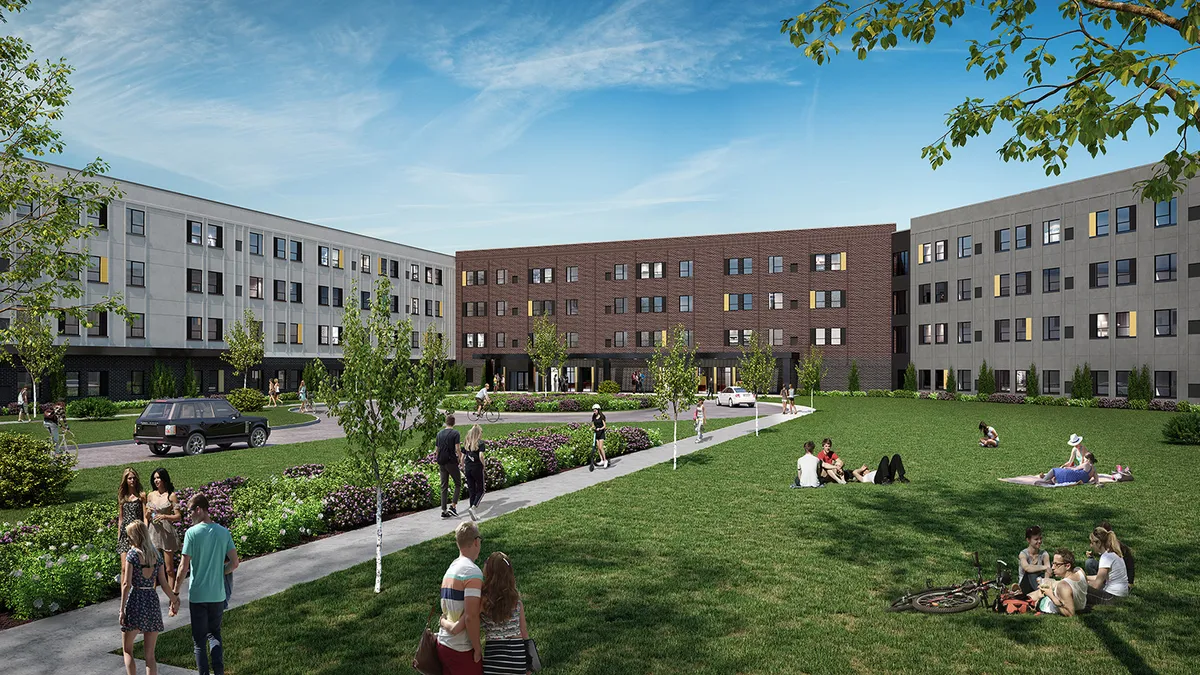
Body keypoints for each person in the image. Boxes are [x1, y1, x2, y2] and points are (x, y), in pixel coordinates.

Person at [174, 493, 239, 675]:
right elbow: (234, 563)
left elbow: (183, 567)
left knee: (199, 642)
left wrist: (175, 593)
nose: (189, 517)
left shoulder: (191, 534)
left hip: (198, 595)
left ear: (199, 510)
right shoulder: (223, 532)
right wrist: (220, 571)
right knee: (215, 635)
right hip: (217, 594)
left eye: (190, 513)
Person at [441, 551, 530, 675]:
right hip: (518, 656)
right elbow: (524, 632)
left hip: (495, 657)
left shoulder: (484, 601)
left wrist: (443, 622)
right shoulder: (516, 601)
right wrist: (529, 662)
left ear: (488, 572)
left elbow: (459, 627)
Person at [120, 521, 180, 675]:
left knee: (127, 650)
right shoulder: (156, 555)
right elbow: (164, 583)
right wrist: (174, 600)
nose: (128, 539)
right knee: (150, 656)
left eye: (129, 536)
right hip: (152, 601)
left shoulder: (132, 555)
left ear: (134, 536)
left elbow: (126, 583)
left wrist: (122, 609)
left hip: (136, 600)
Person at [437, 521, 485, 674]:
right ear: (476, 541)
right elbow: (471, 617)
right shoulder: (472, 572)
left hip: (443, 642)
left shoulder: (451, 568)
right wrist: (477, 649)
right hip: (461, 648)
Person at [146, 467, 182, 592]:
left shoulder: (171, 496)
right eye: (154, 478)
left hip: (166, 533)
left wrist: (165, 516)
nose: (156, 481)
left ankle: (172, 597)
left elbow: (178, 516)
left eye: (158, 478)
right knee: (153, 567)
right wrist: (148, 514)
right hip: (153, 532)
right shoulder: (150, 495)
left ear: (164, 479)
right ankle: (152, 595)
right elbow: (146, 516)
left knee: (169, 569)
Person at [1025, 549, 1087, 617]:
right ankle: (1017, 593)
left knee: (1034, 596)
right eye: (1053, 563)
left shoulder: (1064, 585)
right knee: (1041, 590)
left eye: (1057, 564)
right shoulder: (1080, 571)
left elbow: (1070, 613)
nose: (1053, 568)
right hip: (1080, 605)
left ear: (1067, 566)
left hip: (1046, 605)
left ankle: (1018, 597)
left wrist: (1050, 595)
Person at [1085, 526, 1130, 605]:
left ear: (1098, 543)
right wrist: (1083, 577)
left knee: (1080, 588)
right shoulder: (1113, 553)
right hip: (1121, 595)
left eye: (1092, 543)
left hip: (1112, 597)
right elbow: (1100, 577)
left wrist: (1081, 583)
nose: (1091, 546)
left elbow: (1096, 585)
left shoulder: (1106, 557)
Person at [1083, 520, 1135, 585]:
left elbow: (1130, 565)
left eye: (1092, 542)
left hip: (1117, 583)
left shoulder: (1108, 555)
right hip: (1116, 581)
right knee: (1090, 563)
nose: (1090, 545)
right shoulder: (1107, 552)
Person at [437, 415, 464, 518]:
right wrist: (460, 459)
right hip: (451, 461)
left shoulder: (439, 434)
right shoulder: (455, 433)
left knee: (444, 485)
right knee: (458, 483)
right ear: (454, 423)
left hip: (441, 461)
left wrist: (438, 459)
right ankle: (453, 506)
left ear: (446, 422)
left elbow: (437, 449)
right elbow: (457, 448)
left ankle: (444, 510)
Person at [117, 468, 147, 556]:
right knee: (124, 567)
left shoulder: (141, 496)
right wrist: (119, 535)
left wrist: (145, 532)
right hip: (125, 532)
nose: (132, 480)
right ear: (125, 480)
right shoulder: (123, 496)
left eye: (134, 478)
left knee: (136, 564)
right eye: (130, 478)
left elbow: (145, 516)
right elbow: (121, 518)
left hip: (137, 532)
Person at [462, 424, 487, 521]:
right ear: (478, 433)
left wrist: (463, 466)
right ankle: (473, 507)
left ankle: (472, 512)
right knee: (481, 490)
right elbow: (481, 456)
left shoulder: (467, 443)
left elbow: (462, 457)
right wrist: (484, 465)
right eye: (481, 432)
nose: (481, 434)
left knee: (471, 490)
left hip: (468, 468)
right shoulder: (480, 443)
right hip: (477, 468)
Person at [1018, 525, 1051, 595]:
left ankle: (1043, 591)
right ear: (1028, 540)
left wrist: (1045, 582)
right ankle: (1042, 592)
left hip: (1040, 584)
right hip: (1025, 586)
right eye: (1036, 539)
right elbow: (1027, 567)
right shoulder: (1023, 554)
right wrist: (1044, 567)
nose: (1039, 541)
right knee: (1031, 572)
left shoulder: (1044, 554)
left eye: (1040, 538)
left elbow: (1049, 571)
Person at [591, 403, 609, 468]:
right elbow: (593, 424)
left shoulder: (602, 416)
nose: (594, 411)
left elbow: (605, 426)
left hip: (601, 433)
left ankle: (605, 460)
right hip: (596, 433)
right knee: (598, 448)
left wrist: (600, 428)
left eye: (595, 410)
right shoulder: (594, 416)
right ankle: (601, 460)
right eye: (593, 410)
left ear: (598, 410)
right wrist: (592, 427)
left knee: (601, 447)